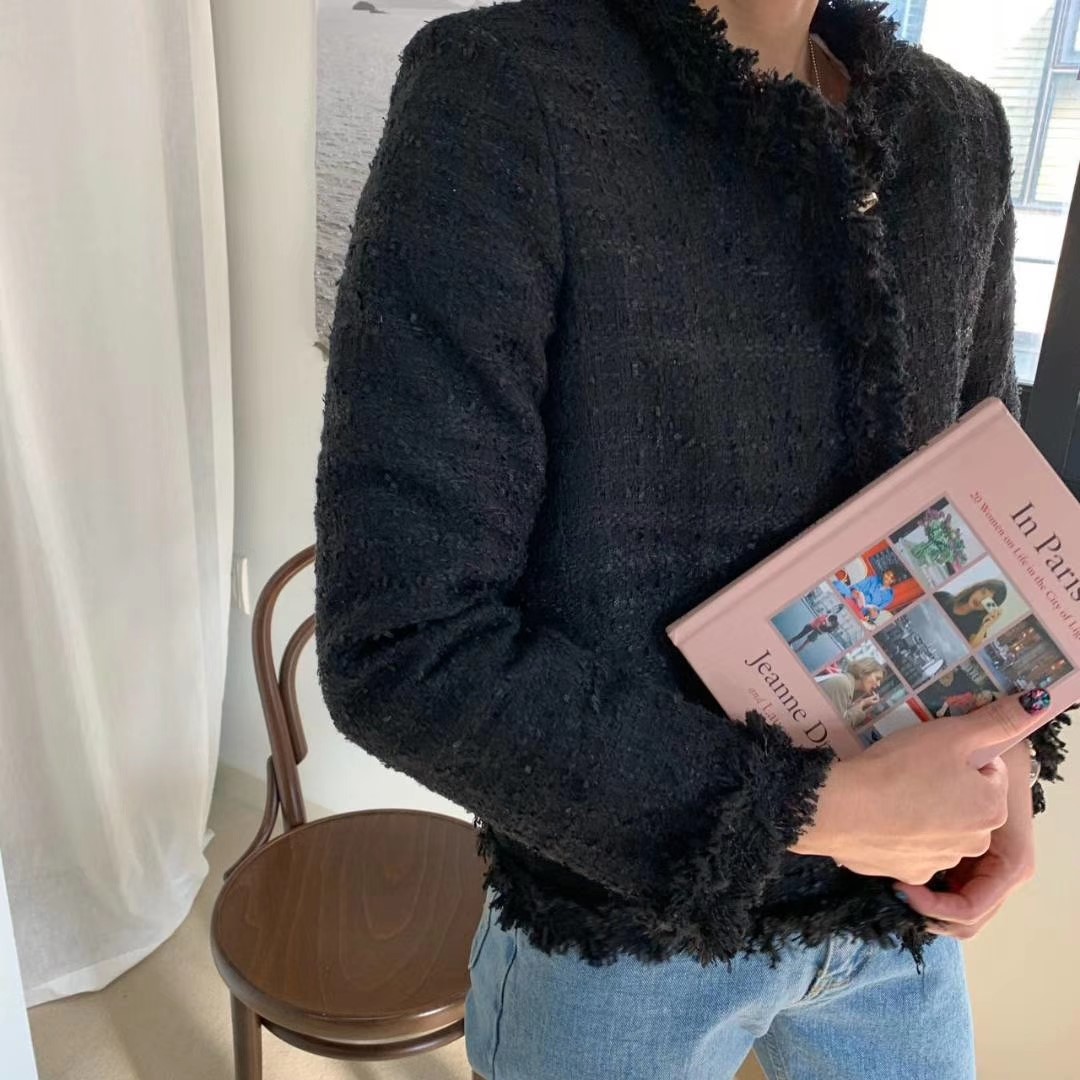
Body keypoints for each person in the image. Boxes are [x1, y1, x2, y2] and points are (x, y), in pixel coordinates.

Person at [313, 0, 1070, 1076]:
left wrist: (1007, 772)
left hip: (897, 922)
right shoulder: (509, 90)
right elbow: (404, 647)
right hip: (621, 938)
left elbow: (973, 513)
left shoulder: (958, 133)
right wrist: (810, 806)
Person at [935, 579, 1009, 647]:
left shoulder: (976, 627)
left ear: (989, 607)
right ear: (977, 588)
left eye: (987, 601)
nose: (980, 600)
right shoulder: (943, 597)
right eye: (983, 592)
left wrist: (985, 626)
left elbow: (971, 649)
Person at [814, 656, 885, 727]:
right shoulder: (843, 684)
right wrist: (861, 705)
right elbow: (836, 725)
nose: (878, 684)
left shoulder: (846, 683)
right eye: (877, 678)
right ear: (864, 672)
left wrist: (862, 703)